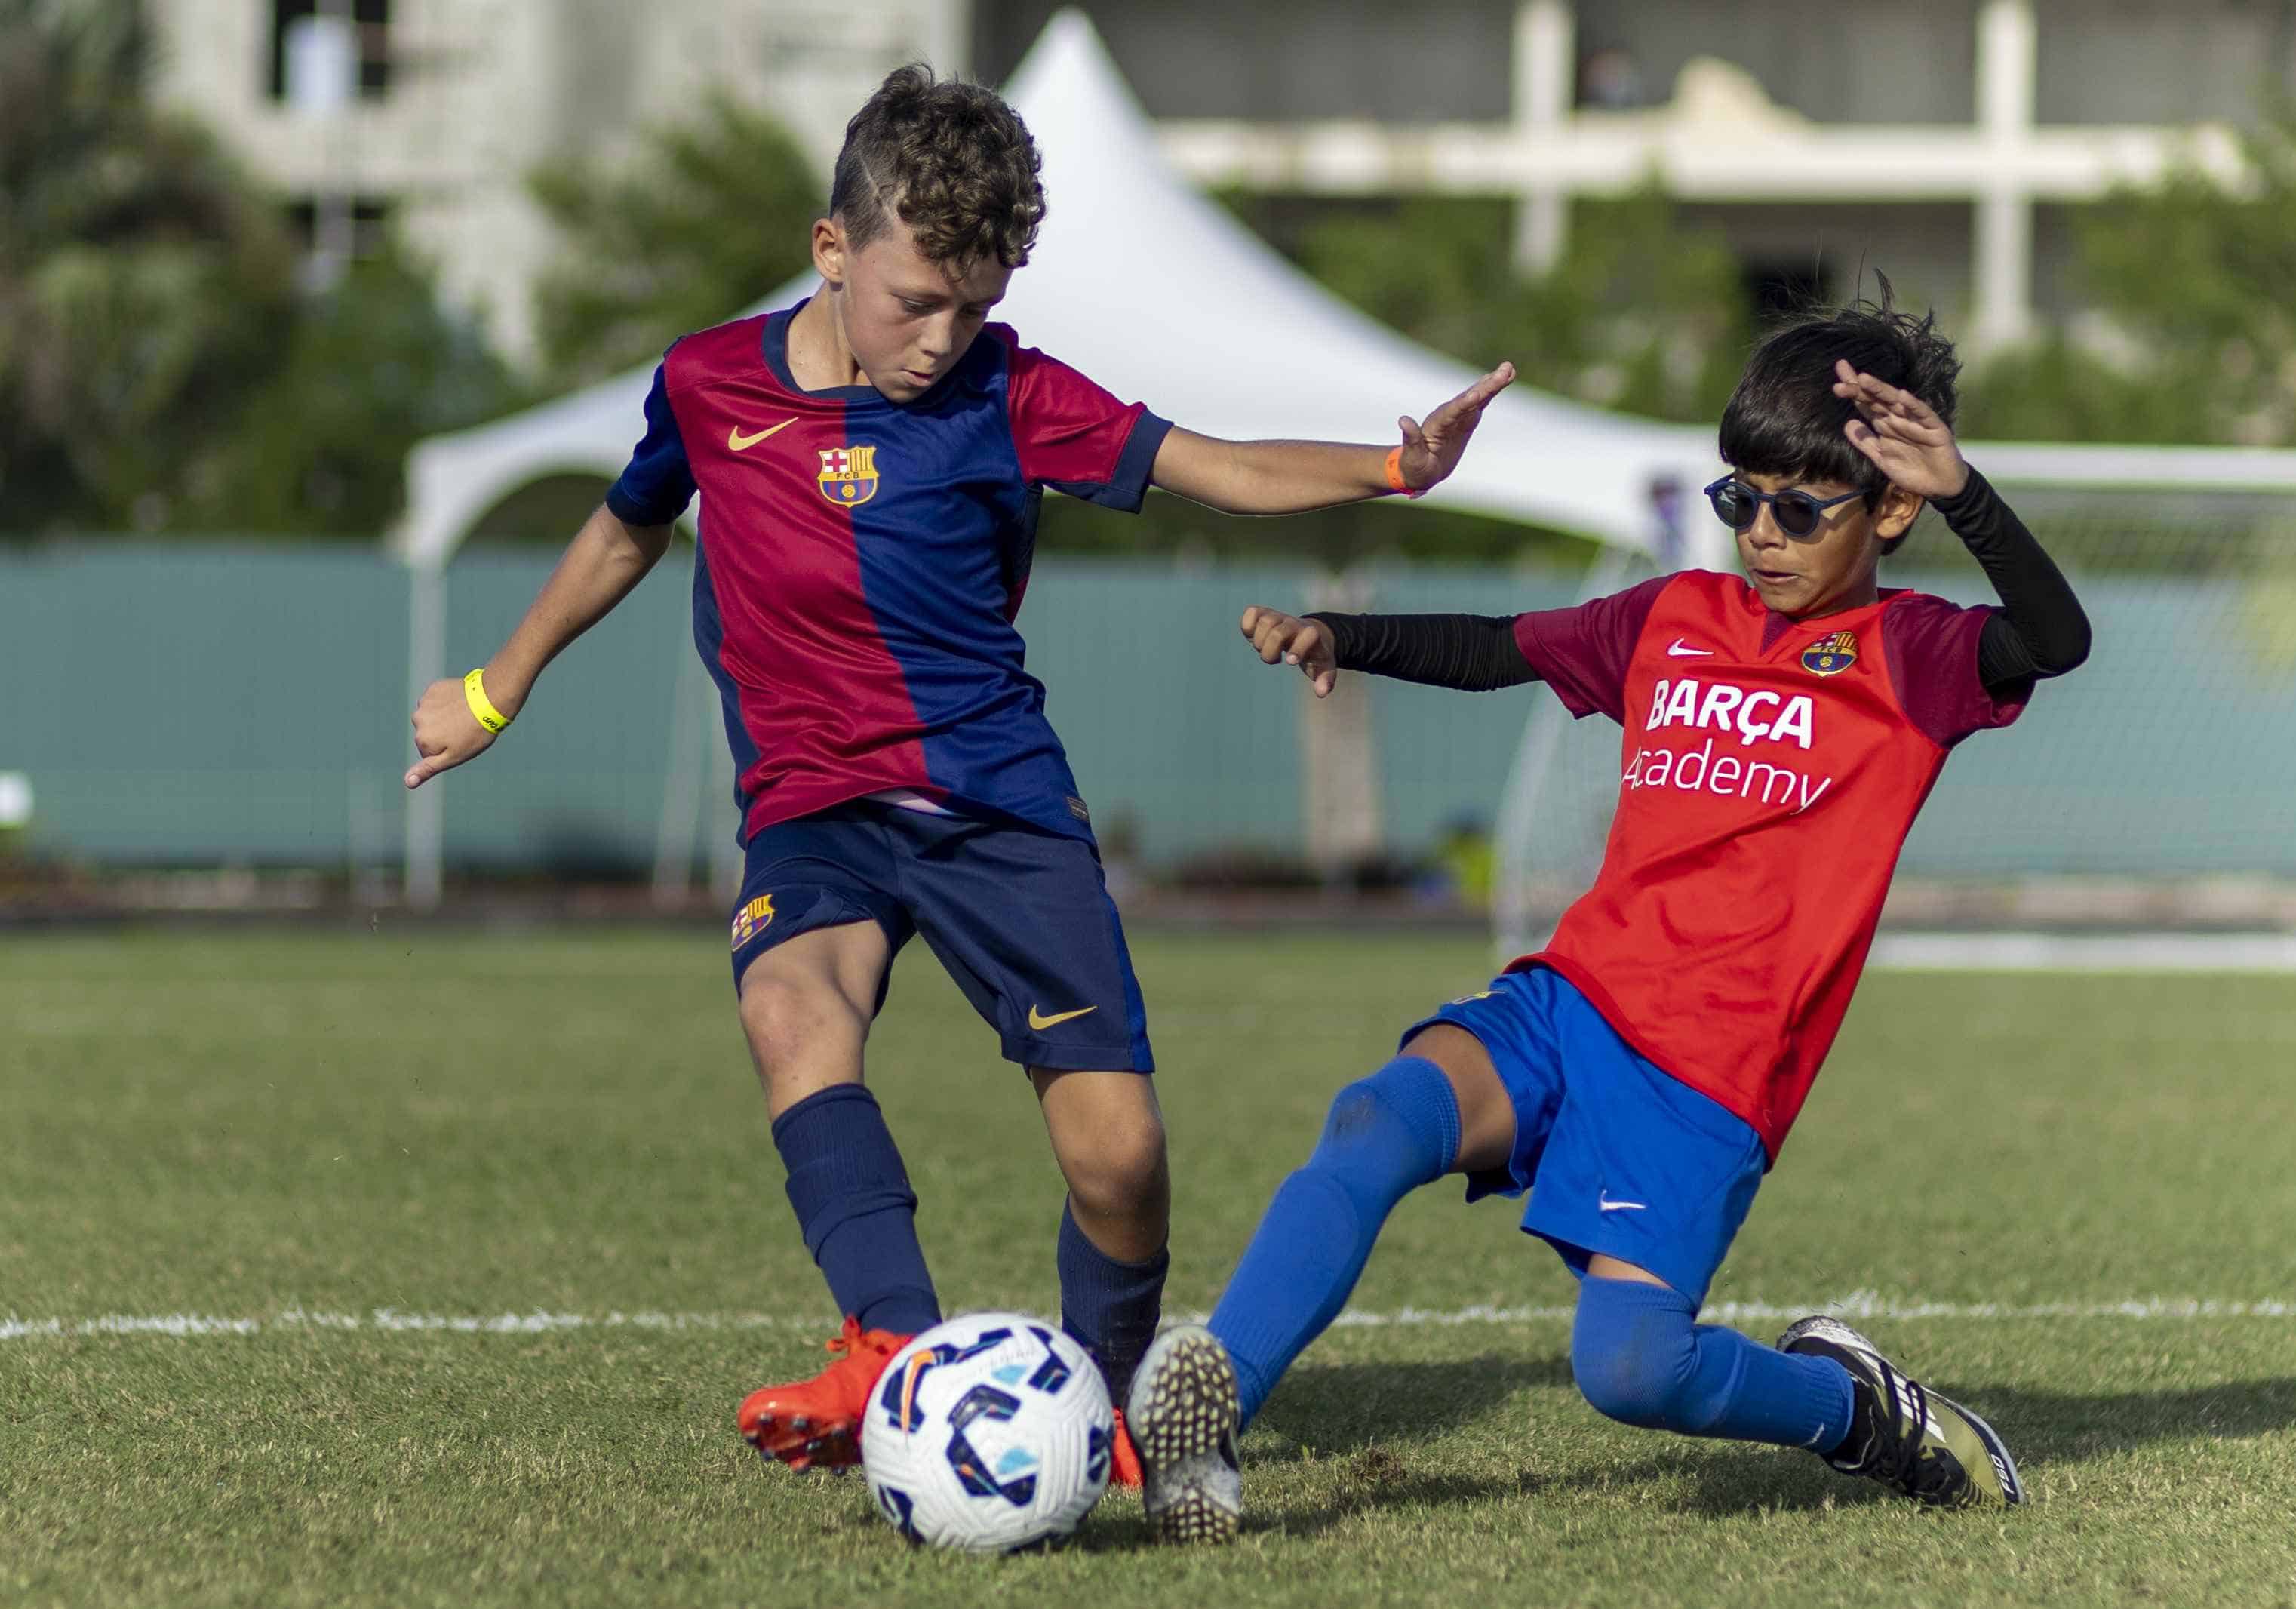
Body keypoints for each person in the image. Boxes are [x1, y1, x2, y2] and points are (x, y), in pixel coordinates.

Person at [401, 65, 1511, 1483]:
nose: (943, 338)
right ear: (831, 250)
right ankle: (897, 1359)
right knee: (790, 1011)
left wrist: (1391, 468)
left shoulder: (1014, 396)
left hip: (996, 806)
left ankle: (1104, 1410)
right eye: (916, 300)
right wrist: (497, 689)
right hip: (814, 803)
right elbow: (625, 530)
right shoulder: (705, 382)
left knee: (1118, 1160)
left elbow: (1214, 466)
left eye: (975, 306)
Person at [1126, 290, 2090, 1542]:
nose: (1761, 532)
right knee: (1377, 1117)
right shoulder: (1671, 619)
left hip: (1706, 1074)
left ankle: (1853, 1413)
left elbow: (2054, 639)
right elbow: (1497, 647)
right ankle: (1203, 1438)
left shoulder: (1913, 655)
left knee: (1629, 1370)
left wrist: (1968, 492)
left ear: (1890, 509)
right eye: (1739, 499)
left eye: (1800, 508)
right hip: (1573, 999)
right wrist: (1338, 636)